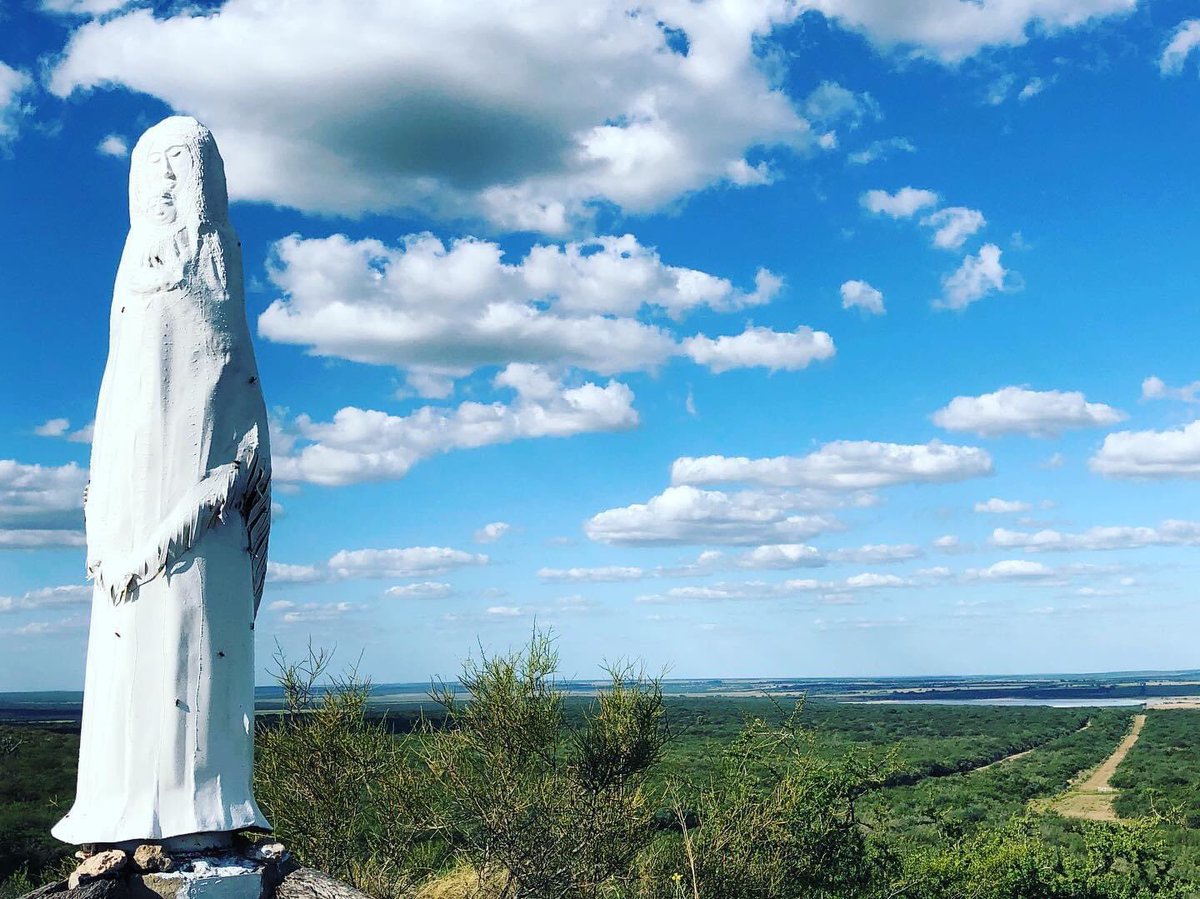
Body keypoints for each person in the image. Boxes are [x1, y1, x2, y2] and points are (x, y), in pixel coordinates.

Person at [53, 116, 272, 846]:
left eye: (185, 167)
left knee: (193, 645)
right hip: (129, 508)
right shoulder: (132, 277)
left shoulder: (218, 267)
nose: (170, 185)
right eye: (157, 170)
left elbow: (232, 392)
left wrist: (215, 486)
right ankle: (125, 802)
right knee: (131, 659)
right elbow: (121, 396)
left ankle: (197, 806)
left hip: (195, 514)